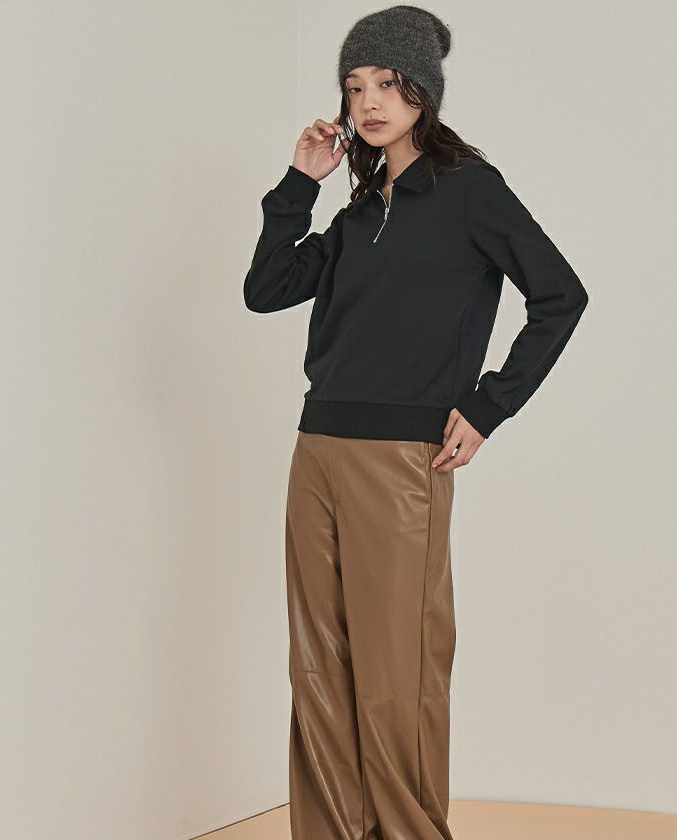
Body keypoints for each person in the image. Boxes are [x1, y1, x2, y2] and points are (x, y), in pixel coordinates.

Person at [243, 6, 589, 839]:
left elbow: (560, 295)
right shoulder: (361, 210)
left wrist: (489, 404)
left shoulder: (470, 190)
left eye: (388, 84)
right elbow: (266, 289)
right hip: (318, 447)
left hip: (403, 456)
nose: (369, 101)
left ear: (423, 92)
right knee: (319, 664)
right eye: (354, 86)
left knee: (397, 667)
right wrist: (301, 182)